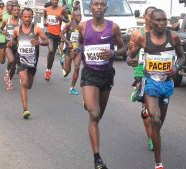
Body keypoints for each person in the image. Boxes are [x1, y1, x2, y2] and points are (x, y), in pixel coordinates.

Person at [128, 9, 184, 169]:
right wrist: (129, 60)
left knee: (158, 126)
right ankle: (158, 163)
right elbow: (130, 56)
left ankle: (150, 120)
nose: (161, 23)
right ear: (151, 22)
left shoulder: (173, 37)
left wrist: (176, 67)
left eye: (164, 20)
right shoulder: (142, 38)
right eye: (158, 20)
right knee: (156, 119)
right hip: (150, 82)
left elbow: (182, 57)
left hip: (166, 84)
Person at [77, 0, 126, 168]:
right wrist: (76, 54)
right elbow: (79, 44)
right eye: (95, 4)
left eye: (102, 4)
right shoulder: (83, 27)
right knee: (94, 113)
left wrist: (113, 53)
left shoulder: (113, 27)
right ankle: (97, 159)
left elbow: (123, 49)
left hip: (106, 75)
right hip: (89, 73)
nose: (99, 7)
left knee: (97, 117)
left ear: (106, 7)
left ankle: (89, 103)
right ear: (90, 7)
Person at [7, 7, 48, 118]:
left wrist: (38, 42)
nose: (27, 19)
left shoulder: (37, 29)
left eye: (29, 17)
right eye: (25, 16)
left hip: (32, 61)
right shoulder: (17, 29)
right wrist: (11, 42)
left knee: (29, 85)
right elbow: (15, 39)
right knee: (24, 83)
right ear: (21, 17)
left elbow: (46, 41)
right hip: (21, 60)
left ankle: (24, 81)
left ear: (32, 17)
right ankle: (25, 109)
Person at [127, 6, 157, 151]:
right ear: (144, 16)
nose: (151, 18)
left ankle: (137, 91)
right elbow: (130, 54)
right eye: (149, 15)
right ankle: (151, 138)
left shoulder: (161, 34)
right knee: (146, 107)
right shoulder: (138, 33)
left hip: (157, 72)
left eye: (154, 15)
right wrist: (129, 54)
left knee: (156, 110)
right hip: (141, 71)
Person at [43, 0, 69, 81]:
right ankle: (48, 70)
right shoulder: (46, 9)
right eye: (53, 0)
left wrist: (61, 18)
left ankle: (48, 70)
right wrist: (44, 22)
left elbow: (67, 20)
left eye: (56, 0)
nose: (54, 1)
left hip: (57, 34)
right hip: (49, 33)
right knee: (50, 51)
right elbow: (44, 18)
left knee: (52, 53)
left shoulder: (62, 10)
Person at [59, 10, 82, 95]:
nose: (79, 17)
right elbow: (60, 34)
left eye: (80, 15)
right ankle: (63, 60)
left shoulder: (83, 26)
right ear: (73, 16)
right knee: (67, 71)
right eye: (77, 16)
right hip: (69, 49)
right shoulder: (69, 24)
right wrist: (68, 42)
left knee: (77, 67)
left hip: (78, 50)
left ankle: (72, 88)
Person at [1, 5, 21, 90]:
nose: (16, 12)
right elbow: (0, 28)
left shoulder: (21, 22)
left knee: (13, 65)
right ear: (11, 11)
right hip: (8, 45)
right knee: (11, 60)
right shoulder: (7, 20)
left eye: (18, 10)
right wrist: (3, 31)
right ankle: (7, 72)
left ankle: (9, 79)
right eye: (15, 10)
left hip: (18, 45)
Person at [0, 0, 13, 64]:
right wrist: (2, 31)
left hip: (13, 39)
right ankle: (1, 53)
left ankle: (9, 70)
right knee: (2, 61)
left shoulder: (16, 15)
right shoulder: (2, 15)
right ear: (6, 6)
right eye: (9, 5)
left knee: (12, 58)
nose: (11, 7)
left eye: (12, 5)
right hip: (3, 37)